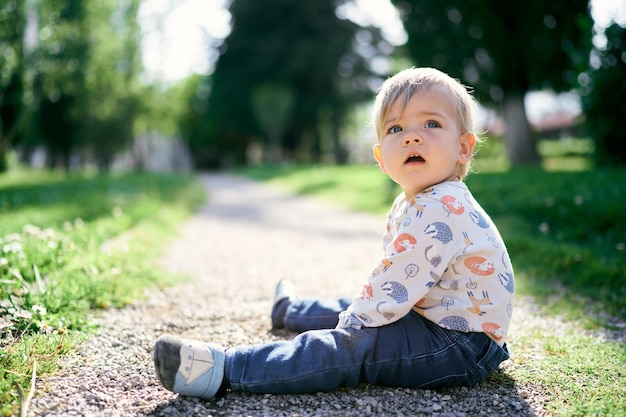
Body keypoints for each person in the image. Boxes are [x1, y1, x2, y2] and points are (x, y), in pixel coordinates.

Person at [153, 67, 514, 400]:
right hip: (438, 321)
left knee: (354, 343)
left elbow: (389, 291)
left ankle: (225, 369)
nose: (411, 138)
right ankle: (292, 311)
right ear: (380, 157)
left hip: (459, 345)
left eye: (431, 124)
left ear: (463, 148)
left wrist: (350, 332)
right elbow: (391, 289)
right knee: (357, 305)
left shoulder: (441, 207)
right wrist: (357, 313)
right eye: (396, 129)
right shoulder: (418, 201)